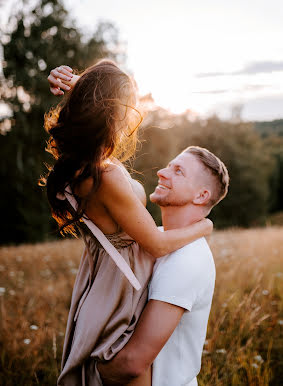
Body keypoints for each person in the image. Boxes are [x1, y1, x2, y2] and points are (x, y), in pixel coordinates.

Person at [45, 61, 212, 386]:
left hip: (108, 280)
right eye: (124, 105)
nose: (130, 115)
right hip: (120, 290)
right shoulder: (104, 176)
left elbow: (106, 98)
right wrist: (204, 226)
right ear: (110, 110)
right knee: (128, 369)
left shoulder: (86, 165)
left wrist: (83, 83)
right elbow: (156, 244)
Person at [97, 146, 229, 386]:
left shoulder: (187, 260)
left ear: (201, 196)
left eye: (178, 171)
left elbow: (133, 363)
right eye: (169, 166)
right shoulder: (157, 238)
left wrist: (86, 369)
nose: (161, 172)